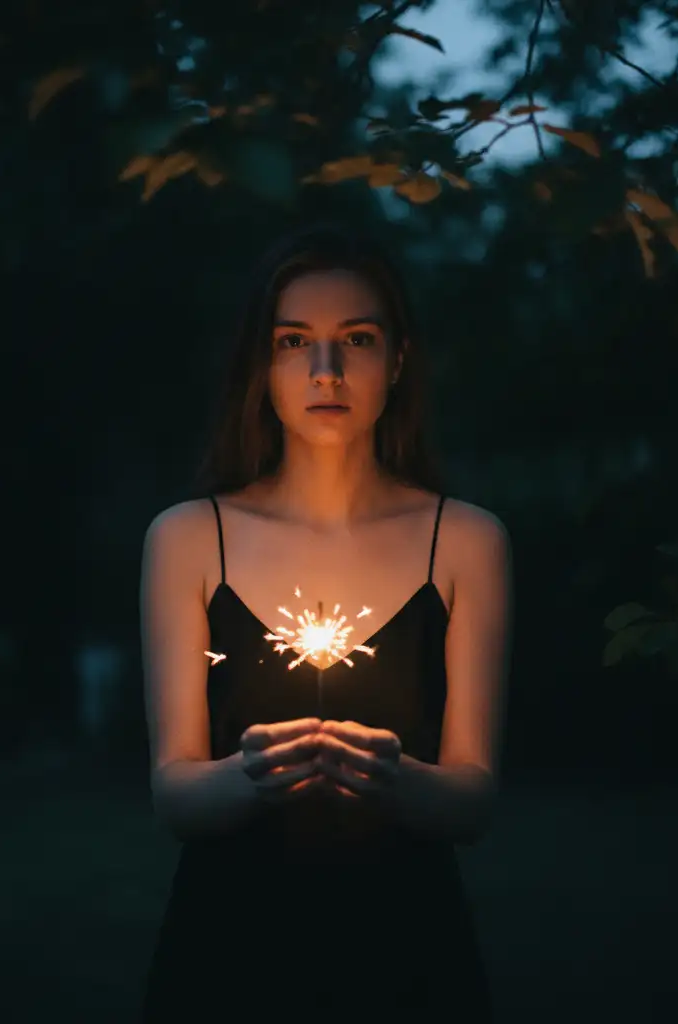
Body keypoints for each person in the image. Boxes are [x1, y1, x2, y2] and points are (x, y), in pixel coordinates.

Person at [139, 223, 513, 1022]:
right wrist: (250, 774)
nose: (327, 371)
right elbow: (174, 794)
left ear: (399, 359)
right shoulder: (187, 538)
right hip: (229, 953)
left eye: (358, 339)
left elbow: (473, 800)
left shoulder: (467, 542)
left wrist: (395, 778)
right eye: (293, 341)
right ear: (261, 365)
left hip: (408, 953)